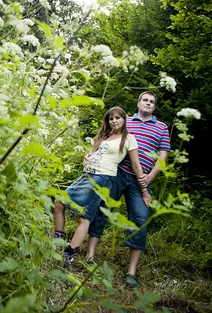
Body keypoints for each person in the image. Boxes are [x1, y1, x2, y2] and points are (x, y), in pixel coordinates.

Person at [86, 91, 170, 288]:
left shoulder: (161, 127)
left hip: (142, 180)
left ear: (154, 107)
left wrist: (150, 177)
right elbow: (105, 138)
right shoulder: (125, 121)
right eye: (145, 100)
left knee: (140, 220)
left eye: (152, 102)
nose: (148, 103)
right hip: (116, 174)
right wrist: (90, 155)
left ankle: (131, 272)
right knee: (101, 210)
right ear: (138, 103)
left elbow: (163, 156)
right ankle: (89, 256)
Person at [52, 106, 144, 266]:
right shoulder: (105, 136)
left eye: (118, 118)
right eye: (111, 118)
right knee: (59, 203)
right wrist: (86, 158)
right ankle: (57, 241)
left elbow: (136, 165)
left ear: (124, 120)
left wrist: (144, 189)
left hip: (103, 178)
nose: (114, 121)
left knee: (85, 216)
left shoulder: (129, 138)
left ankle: (69, 253)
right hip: (87, 175)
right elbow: (91, 155)